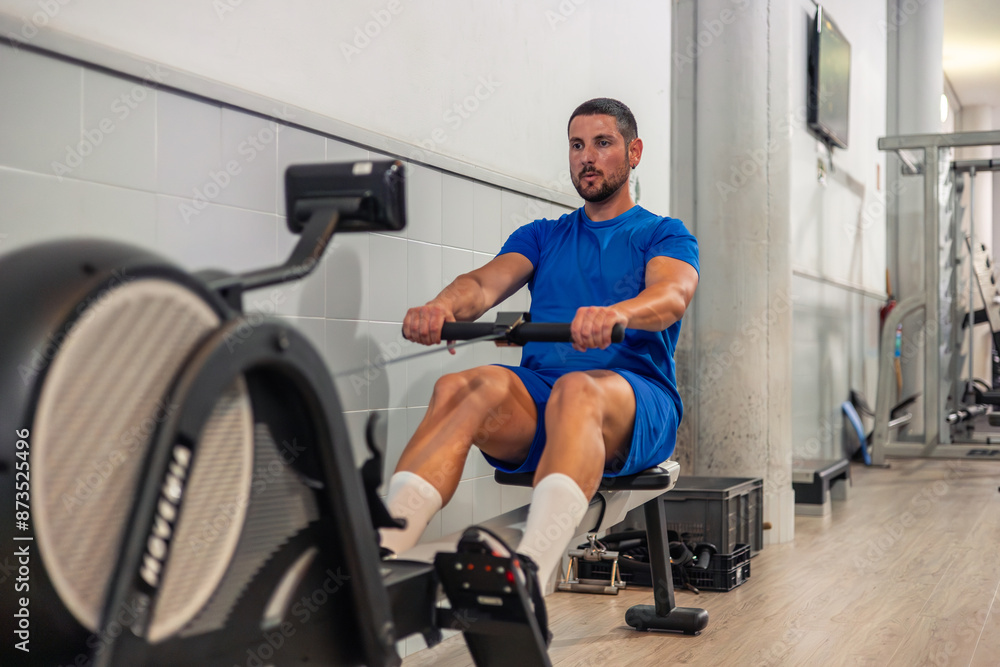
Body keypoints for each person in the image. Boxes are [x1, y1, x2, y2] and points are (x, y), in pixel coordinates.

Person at [381, 98, 700, 587]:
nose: (586, 157)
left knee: (578, 390)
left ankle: (530, 574)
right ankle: (383, 558)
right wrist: (441, 308)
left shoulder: (662, 233)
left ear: (634, 152)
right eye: (576, 145)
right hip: (545, 399)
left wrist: (618, 314)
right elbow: (482, 285)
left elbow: (671, 296)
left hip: (636, 402)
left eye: (602, 143)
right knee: (461, 387)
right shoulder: (543, 236)